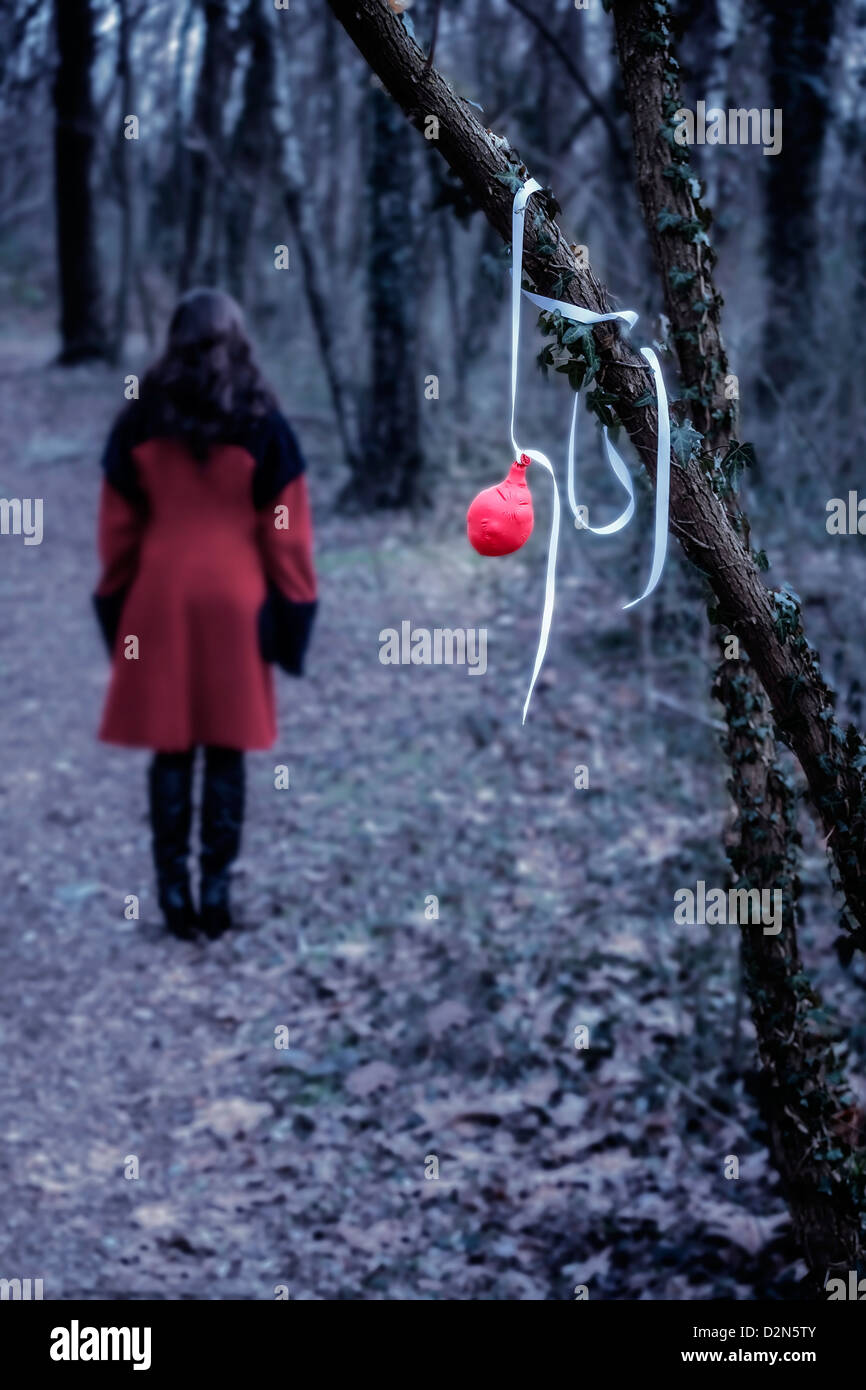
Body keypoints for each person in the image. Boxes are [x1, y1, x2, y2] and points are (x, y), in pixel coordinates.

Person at [93, 288, 317, 941]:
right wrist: (293, 605)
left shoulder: (138, 418)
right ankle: (216, 896)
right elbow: (288, 532)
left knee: (170, 748)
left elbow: (118, 528)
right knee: (225, 750)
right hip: (235, 601)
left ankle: (173, 897)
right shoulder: (263, 421)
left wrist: (117, 600)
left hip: (159, 597)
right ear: (238, 340)